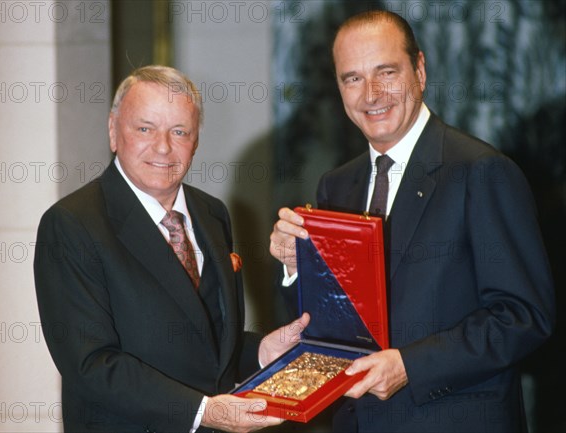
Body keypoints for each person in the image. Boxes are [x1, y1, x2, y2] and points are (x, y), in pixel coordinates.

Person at [269, 10, 555, 433]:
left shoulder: (481, 171)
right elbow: (327, 326)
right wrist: (296, 266)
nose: (371, 94)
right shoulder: (337, 186)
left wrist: (410, 366)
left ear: (419, 70)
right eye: (353, 78)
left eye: (386, 72)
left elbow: (524, 316)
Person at [34, 65, 309, 433]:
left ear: (195, 141)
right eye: (145, 128)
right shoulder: (72, 224)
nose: (163, 147)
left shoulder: (212, 213)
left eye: (179, 131)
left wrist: (261, 352)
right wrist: (204, 412)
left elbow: (201, 338)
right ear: (113, 131)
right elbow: (92, 365)